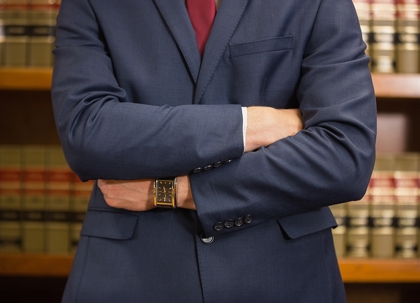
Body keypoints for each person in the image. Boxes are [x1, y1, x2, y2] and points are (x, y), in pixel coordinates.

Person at [51, 0, 376, 302]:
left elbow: (345, 156)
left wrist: (176, 191)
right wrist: (252, 123)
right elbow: (86, 132)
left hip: (284, 275)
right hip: (130, 276)